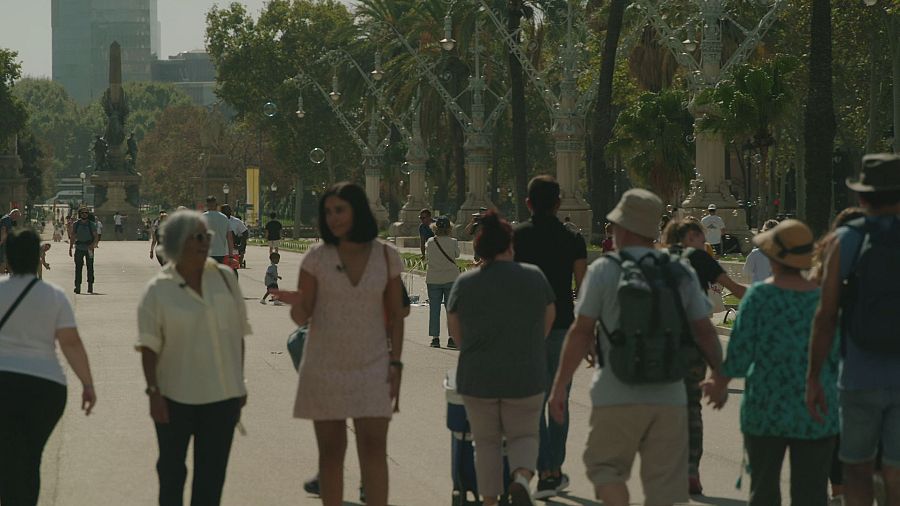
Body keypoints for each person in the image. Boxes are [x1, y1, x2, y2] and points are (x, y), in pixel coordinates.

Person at [547, 189, 724, 506]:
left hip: (616, 393)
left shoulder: (605, 270)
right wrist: (721, 376)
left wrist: (559, 386)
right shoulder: (680, 269)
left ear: (625, 230)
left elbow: (580, 331)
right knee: (665, 488)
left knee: (605, 471)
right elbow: (705, 331)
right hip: (670, 395)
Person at [273, 182, 404, 506]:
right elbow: (302, 317)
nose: (333, 218)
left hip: (373, 365)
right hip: (324, 367)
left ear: (357, 210)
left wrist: (395, 362)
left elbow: (398, 316)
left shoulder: (386, 256)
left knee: (374, 450)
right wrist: (297, 302)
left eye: (340, 210)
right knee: (331, 455)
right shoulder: (316, 257)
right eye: (328, 212)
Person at [704, 219, 838, 506]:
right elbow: (837, 355)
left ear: (773, 257)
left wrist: (719, 382)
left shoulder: (759, 296)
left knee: (763, 490)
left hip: (766, 409)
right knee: (812, 493)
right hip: (815, 408)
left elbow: (739, 356)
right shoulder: (823, 300)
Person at [136, 210, 250, 506]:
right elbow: (148, 347)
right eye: (198, 237)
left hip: (221, 397)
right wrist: (153, 392)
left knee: (211, 480)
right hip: (174, 398)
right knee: (172, 474)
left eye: (207, 236)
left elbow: (237, 335)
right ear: (176, 242)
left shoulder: (225, 279)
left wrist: (240, 384)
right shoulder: (158, 290)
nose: (205, 242)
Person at [807, 153, 900, 506]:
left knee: (857, 468)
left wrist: (814, 377)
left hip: (859, 376)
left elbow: (826, 313)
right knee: (896, 469)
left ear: (861, 198)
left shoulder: (845, 239)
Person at [447, 210, 556, 506]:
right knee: (523, 436)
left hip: (478, 377)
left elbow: (455, 331)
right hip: (525, 374)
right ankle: (521, 478)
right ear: (511, 245)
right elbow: (547, 321)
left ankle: (490, 501)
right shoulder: (535, 278)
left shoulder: (465, 284)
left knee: (485, 444)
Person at [0, 228, 96, 506]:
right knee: (31, 455)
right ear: (37, 258)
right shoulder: (53, 295)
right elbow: (71, 344)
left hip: (3, 383)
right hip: (45, 387)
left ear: (9, 259)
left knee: (8, 454)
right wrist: (87, 384)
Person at [512, 175, 587, 500]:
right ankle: (553, 470)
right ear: (559, 203)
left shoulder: (517, 236)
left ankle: (542, 468)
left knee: (535, 402)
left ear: (528, 203)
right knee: (560, 400)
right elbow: (582, 287)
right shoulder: (573, 238)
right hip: (565, 327)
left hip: (527, 328)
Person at [660, 217, 746, 493]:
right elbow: (735, 290)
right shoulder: (699, 258)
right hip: (691, 344)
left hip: (657, 346)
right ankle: (690, 471)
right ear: (690, 237)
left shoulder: (656, 260)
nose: (703, 242)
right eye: (699, 237)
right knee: (691, 408)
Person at [424, 215, 460, 349]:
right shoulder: (453, 241)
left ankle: (435, 338)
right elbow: (457, 255)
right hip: (451, 278)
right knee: (450, 310)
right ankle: (451, 338)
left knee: (434, 309)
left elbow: (428, 257)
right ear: (449, 228)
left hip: (433, 279)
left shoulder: (430, 242)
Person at [69, 207, 98, 294]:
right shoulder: (76, 224)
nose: (84, 214)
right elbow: (73, 236)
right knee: (78, 267)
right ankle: (77, 286)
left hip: (89, 248)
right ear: (80, 214)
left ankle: (90, 285)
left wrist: (93, 245)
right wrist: (70, 247)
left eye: (86, 213)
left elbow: (96, 236)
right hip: (79, 247)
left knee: (90, 267)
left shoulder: (91, 224)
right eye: (82, 213)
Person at [202, 196, 234, 265]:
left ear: (207, 205)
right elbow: (230, 238)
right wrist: (231, 256)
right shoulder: (224, 218)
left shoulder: (202, 217)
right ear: (217, 205)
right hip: (220, 252)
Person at [0, 208, 21, 273]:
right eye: (17, 216)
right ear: (13, 214)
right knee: (3, 261)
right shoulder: (7, 219)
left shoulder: (8, 219)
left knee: (7, 261)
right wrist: (1, 242)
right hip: (3, 244)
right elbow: (3, 232)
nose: (16, 218)